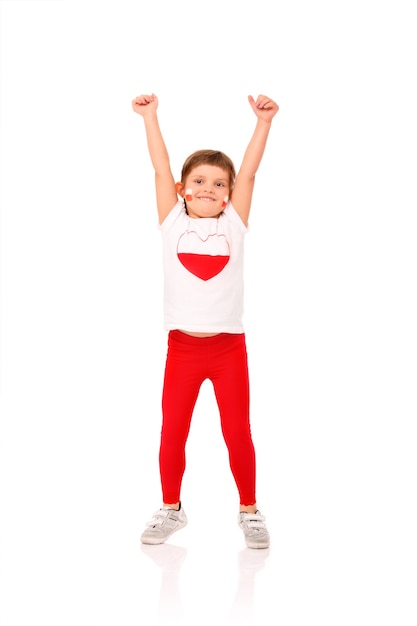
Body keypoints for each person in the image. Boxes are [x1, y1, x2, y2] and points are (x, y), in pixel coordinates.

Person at [131, 92, 279, 549]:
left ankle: (249, 510)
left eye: (219, 184)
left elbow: (250, 170)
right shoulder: (171, 221)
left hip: (229, 348)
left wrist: (263, 123)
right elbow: (160, 167)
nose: (208, 190)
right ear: (182, 189)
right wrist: (149, 117)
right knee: (172, 430)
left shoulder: (233, 222)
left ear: (229, 194)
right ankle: (171, 508)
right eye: (199, 181)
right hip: (183, 349)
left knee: (238, 431)